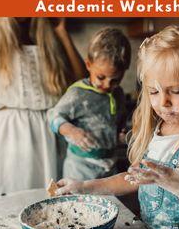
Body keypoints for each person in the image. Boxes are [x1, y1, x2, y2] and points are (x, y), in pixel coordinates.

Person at [55, 25, 179, 229]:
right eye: (154, 92)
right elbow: (131, 179)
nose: (163, 102)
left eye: (176, 91)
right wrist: (84, 186)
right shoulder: (156, 132)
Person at [0, 17, 87, 196]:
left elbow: (82, 83)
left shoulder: (49, 38)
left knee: (48, 199)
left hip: (48, 131)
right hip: (9, 133)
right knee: (12, 199)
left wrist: (62, 32)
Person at [48, 28, 131, 180]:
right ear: (88, 64)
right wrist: (71, 130)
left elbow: (119, 121)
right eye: (101, 77)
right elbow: (52, 116)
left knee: (108, 202)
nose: (107, 84)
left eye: (115, 80)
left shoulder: (118, 93)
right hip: (80, 168)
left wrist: (121, 132)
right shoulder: (77, 94)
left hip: (109, 165)